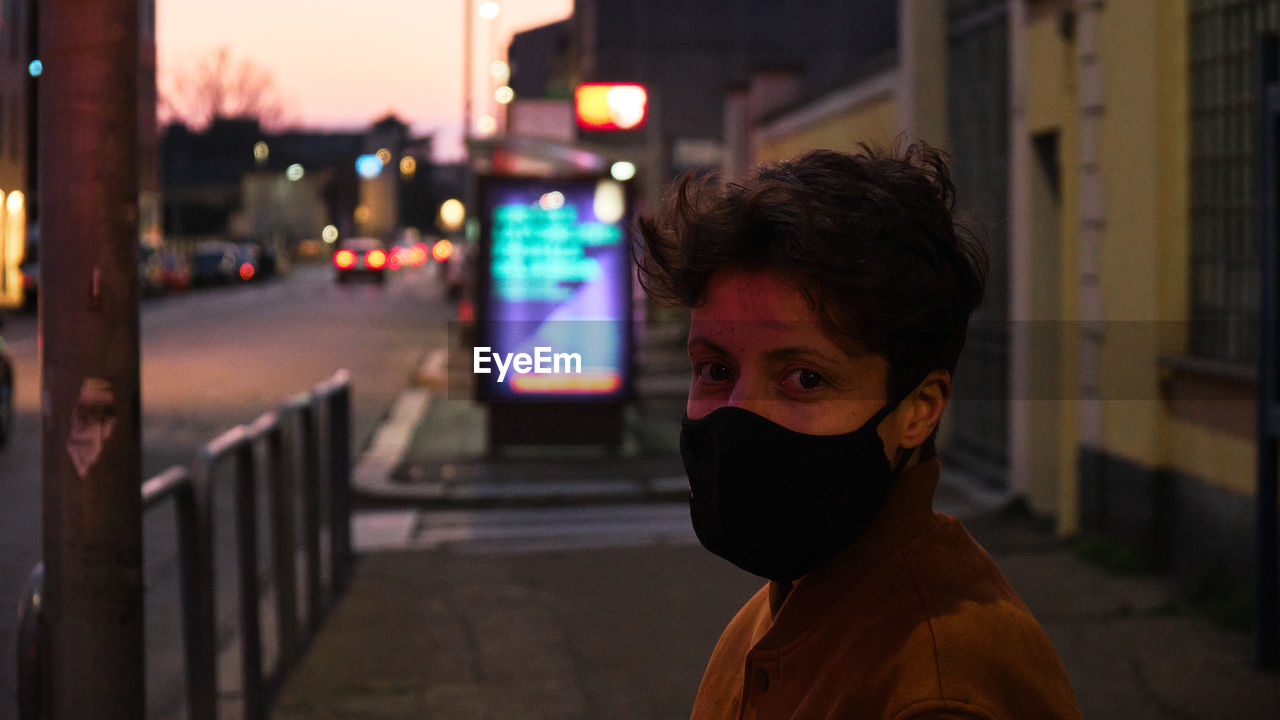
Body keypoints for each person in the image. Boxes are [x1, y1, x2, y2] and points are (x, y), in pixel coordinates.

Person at [634, 143, 1083, 720]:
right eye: (716, 371)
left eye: (804, 377)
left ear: (919, 409)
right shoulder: (793, 603)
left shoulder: (934, 692)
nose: (739, 418)